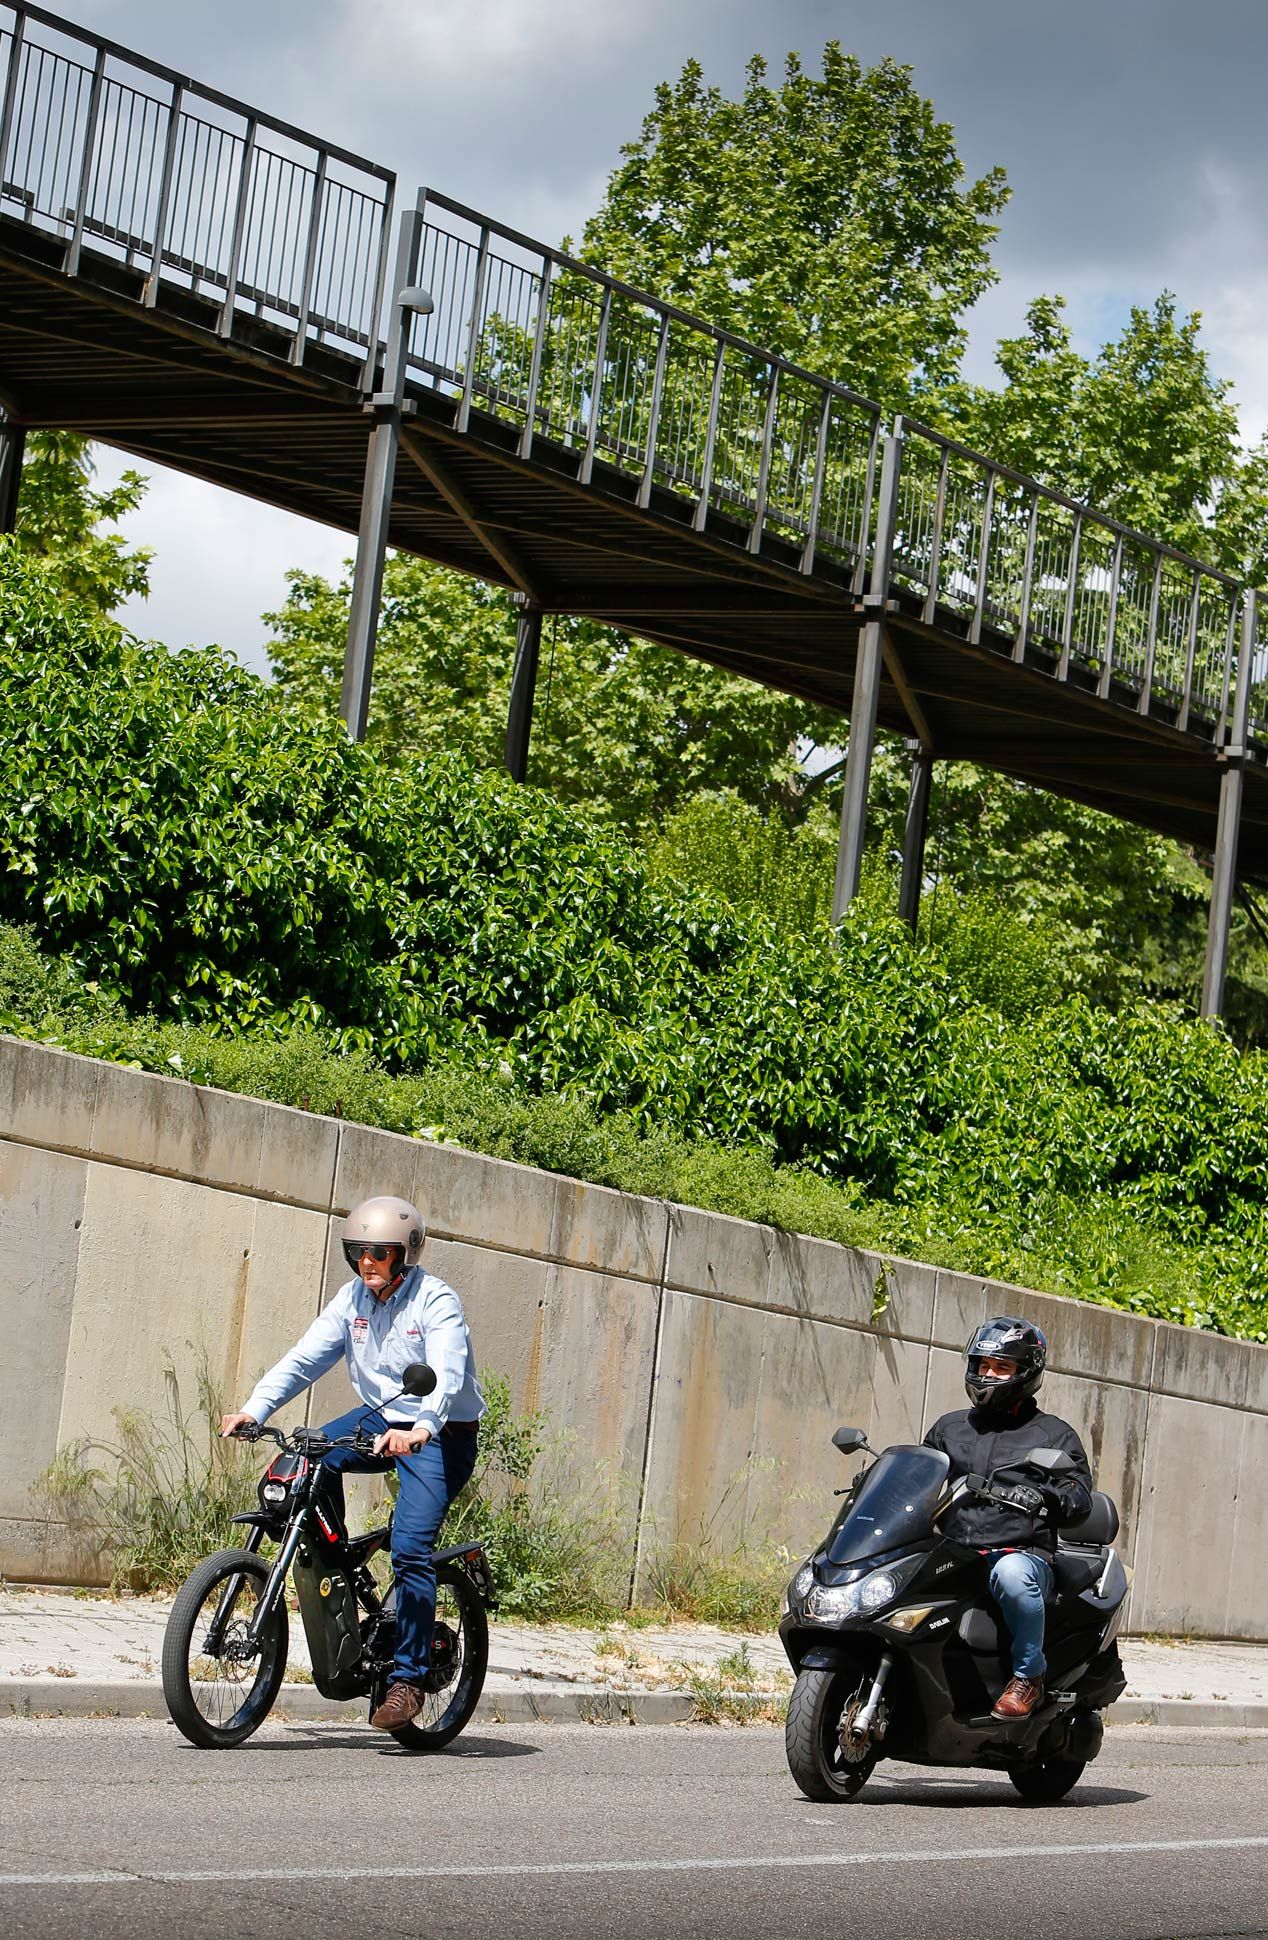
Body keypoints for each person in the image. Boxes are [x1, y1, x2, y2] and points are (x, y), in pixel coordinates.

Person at [220, 1194, 485, 1731]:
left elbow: (446, 1372)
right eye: (357, 1252)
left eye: (379, 1252)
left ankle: (408, 1681)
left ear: (405, 1253)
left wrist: (421, 1429)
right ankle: (336, 1566)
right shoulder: (352, 1301)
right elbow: (303, 1359)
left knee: (410, 1548)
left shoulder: (436, 1302)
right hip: (378, 1416)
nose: (366, 1262)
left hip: (439, 1433)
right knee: (304, 1458)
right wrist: (255, 1409)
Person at [923, 1315, 1093, 1720]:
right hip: (955, 1552)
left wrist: (1046, 1496)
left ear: (1026, 1373)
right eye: (983, 1365)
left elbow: (1078, 1495)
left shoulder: (1053, 1435)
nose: (988, 1375)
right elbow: (920, 1474)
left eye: (1001, 1367)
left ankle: (1028, 1676)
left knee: (1012, 1575)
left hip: (1020, 1554)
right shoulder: (949, 1428)